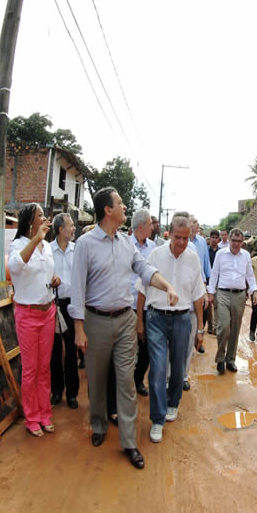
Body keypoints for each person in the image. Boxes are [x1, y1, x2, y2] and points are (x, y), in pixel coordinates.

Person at [69, 187, 179, 469]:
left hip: (125, 319)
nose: (124, 206)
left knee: (127, 382)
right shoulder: (85, 244)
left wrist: (166, 285)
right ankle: (98, 425)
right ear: (107, 210)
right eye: (119, 203)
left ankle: (129, 443)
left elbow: (143, 269)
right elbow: (78, 290)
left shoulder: (126, 243)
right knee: (96, 378)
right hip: (95, 322)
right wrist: (79, 329)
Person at [136, 216, 205, 443]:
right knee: (156, 368)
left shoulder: (193, 259)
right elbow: (142, 290)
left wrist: (200, 328)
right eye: (178, 238)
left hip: (183, 320)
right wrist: (139, 321)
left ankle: (173, 402)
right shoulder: (155, 255)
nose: (182, 243)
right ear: (169, 234)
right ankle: (157, 418)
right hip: (156, 318)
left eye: (185, 239)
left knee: (178, 366)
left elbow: (198, 296)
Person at [8, 203, 60, 437]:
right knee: (30, 369)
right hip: (27, 314)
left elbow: (46, 273)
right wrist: (35, 239)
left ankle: (44, 413)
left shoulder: (47, 247)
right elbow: (16, 267)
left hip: (47, 311)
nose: (45, 218)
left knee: (44, 367)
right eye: (40, 215)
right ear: (30, 221)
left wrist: (54, 278)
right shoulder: (18, 245)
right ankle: (31, 418)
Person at [207, 229, 257, 374]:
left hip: (240, 296)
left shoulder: (246, 255)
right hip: (222, 294)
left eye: (239, 241)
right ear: (229, 240)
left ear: (242, 242)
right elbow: (214, 274)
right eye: (234, 241)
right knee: (223, 327)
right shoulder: (220, 254)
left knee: (235, 329)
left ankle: (230, 360)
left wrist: (254, 291)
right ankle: (220, 358)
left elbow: (250, 275)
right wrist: (211, 293)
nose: (236, 244)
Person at [50, 213, 79, 410]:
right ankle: (56, 391)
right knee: (53, 351)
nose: (74, 228)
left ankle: (72, 393)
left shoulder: (77, 250)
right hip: (53, 304)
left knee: (71, 350)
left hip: (72, 305)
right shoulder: (47, 250)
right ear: (61, 229)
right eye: (70, 226)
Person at [129, 209, 154, 396]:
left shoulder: (153, 247)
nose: (153, 227)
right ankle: (125, 384)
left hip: (147, 305)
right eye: (150, 224)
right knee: (127, 349)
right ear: (141, 227)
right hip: (127, 305)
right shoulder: (125, 245)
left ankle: (138, 379)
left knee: (146, 348)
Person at [183, 215, 211, 379]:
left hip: (197, 289)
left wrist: (206, 289)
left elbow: (204, 267)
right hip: (180, 297)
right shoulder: (166, 247)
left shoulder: (199, 244)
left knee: (197, 321)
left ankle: (184, 376)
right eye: (194, 222)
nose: (197, 225)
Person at [205, 229, 221, 334]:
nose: (214, 239)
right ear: (210, 238)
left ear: (218, 239)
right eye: (212, 237)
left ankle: (215, 326)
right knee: (207, 305)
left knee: (217, 304)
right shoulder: (206, 251)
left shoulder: (221, 252)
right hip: (207, 281)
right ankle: (209, 324)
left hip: (218, 282)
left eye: (216, 238)